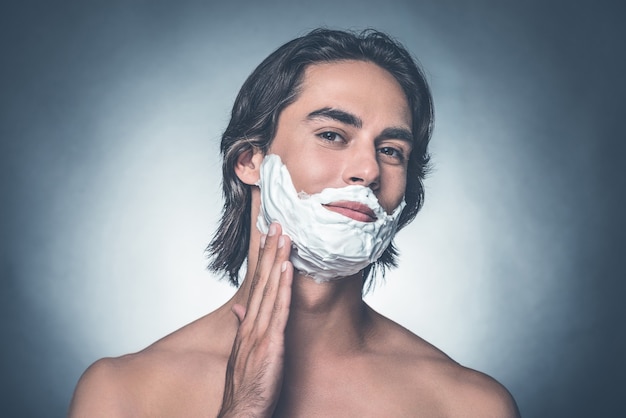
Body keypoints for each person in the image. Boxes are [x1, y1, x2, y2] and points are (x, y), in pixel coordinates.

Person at [69, 28, 520, 417]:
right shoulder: (123, 395)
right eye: (331, 135)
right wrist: (242, 407)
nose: (368, 170)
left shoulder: (469, 406)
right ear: (250, 160)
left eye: (391, 150)